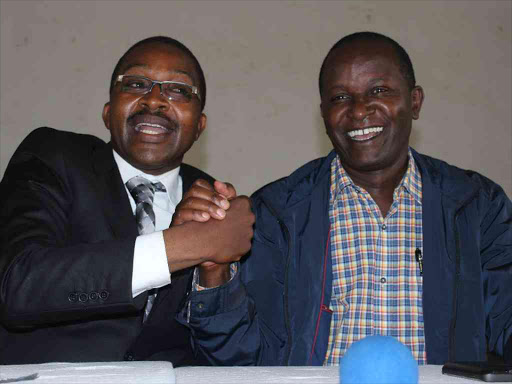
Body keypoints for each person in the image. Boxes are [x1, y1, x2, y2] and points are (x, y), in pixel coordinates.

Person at [176, 32, 512, 366]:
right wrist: (216, 275)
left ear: (415, 101)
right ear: (323, 113)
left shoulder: (476, 206)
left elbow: (505, 321)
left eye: (378, 91)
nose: (359, 110)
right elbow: (242, 358)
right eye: (340, 98)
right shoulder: (276, 214)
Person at [0, 36, 254, 365]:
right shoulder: (54, 157)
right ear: (108, 113)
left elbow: (231, 358)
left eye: (178, 89)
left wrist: (214, 274)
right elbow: (19, 285)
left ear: (200, 126)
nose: (154, 100)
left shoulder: (215, 205)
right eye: (135, 84)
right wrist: (183, 246)